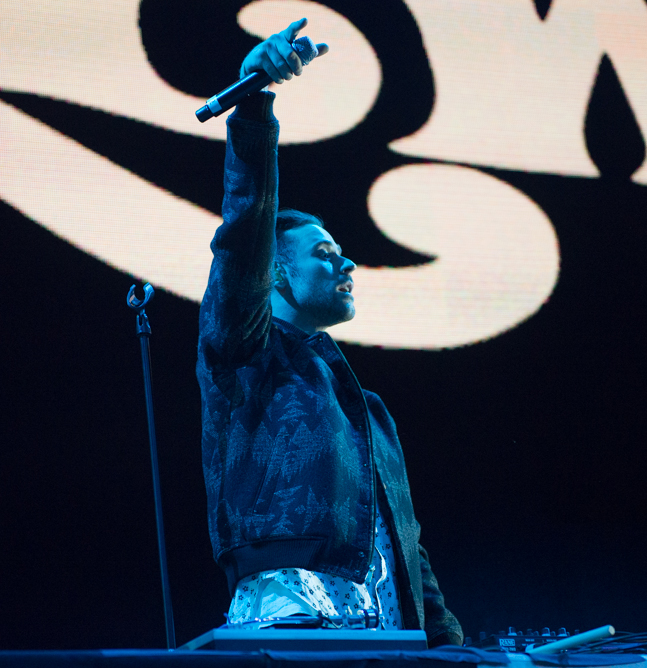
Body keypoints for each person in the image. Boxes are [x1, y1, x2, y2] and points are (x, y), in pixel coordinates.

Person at [196, 18, 463, 647]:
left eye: (341, 253)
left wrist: (454, 646)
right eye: (324, 254)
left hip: (390, 628)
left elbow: (409, 550)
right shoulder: (245, 354)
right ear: (274, 271)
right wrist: (255, 104)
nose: (347, 264)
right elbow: (245, 231)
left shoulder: (370, 412)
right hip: (292, 605)